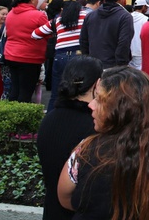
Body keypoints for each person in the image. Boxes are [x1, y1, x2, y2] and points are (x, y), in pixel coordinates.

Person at [57, 67, 149, 218]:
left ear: (121, 109)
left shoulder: (86, 150)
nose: (91, 105)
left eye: (99, 99)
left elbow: (66, 199)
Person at [38, 56, 102, 220]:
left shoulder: (49, 119)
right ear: (98, 84)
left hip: (52, 210)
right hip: (79, 212)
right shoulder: (95, 128)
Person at [33, 0, 88, 111]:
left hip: (60, 56)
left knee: (56, 92)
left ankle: (51, 119)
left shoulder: (58, 20)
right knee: (78, 92)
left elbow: (35, 34)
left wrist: (54, 34)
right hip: (78, 56)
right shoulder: (86, 16)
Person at [4, 0, 48, 103]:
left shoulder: (10, 14)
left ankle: (11, 116)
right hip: (30, 57)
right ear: (32, 0)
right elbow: (48, 34)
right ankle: (21, 118)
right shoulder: (39, 15)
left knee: (15, 89)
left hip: (11, 55)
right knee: (26, 92)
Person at [79, 0, 134, 69]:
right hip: (114, 67)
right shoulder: (125, 17)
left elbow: (83, 41)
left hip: (93, 66)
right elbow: (124, 43)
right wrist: (121, 66)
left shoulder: (90, 16)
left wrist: (89, 60)